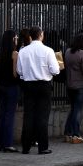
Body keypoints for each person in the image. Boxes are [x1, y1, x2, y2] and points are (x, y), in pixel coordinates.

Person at [17, 26, 60, 155]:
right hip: (44, 85)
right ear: (41, 35)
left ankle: (26, 147)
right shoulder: (48, 50)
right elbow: (55, 70)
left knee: (28, 115)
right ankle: (43, 147)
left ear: (30, 36)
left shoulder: (23, 51)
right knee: (42, 116)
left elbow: (19, 71)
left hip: (28, 85)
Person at [0, 30, 21, 152]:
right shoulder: (14, 53)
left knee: (2, 114)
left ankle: (1, 142)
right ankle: (7, 143)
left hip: (2, 85)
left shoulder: (0, 54)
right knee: (10, 115)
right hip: (12, 86)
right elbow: (15, 73)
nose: (17, 40)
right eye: (16, 38)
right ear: (12, 40)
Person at [63, 33, 83, 144]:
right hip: (81, 85)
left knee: (73, 109)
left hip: (70, 85)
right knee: (78, 110)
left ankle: (67, 133)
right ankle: (76, 135)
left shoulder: (67, 52)